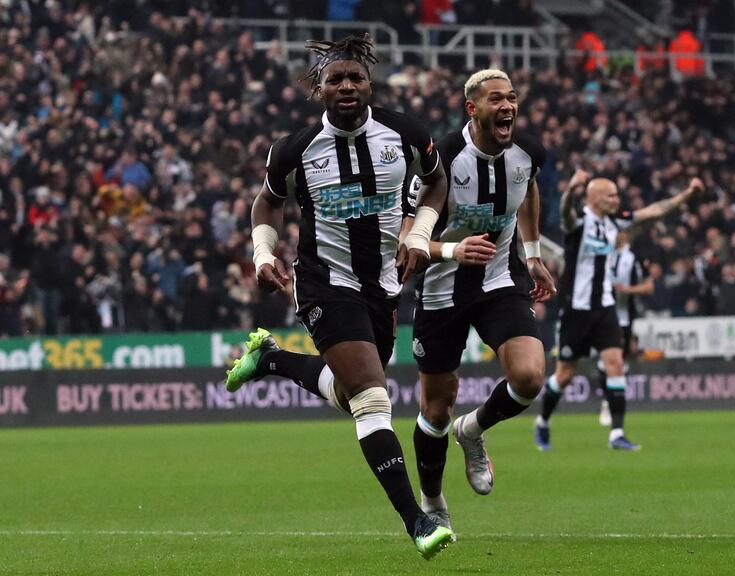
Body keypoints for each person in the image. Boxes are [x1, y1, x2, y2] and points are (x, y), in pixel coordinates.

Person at [223, 36, 455, 559]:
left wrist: (420, 234)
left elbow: (437, 183)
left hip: (383, 285)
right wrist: (263, 254)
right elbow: (267, 204)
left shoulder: (405, 134)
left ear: (369, 84)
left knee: (353, 395)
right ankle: (416, 521)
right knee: (373, 398)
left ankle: (273, 360)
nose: (347, 86)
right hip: (325, 281)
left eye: (355, 78)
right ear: (318, 89)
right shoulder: (294, 149)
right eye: (336, 79)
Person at [408, 69, 556, 531]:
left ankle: (473, 430)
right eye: (496, 99)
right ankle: (432, 499)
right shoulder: (443, 158)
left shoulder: (527, 151)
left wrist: (532, 255)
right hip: (441, 287)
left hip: (498, 279)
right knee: (435, 407)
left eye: (512, 97)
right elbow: (406, 235)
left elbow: (528, 188)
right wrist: (451, 249)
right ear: (473, 108)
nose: (507, 105)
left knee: (530, 377)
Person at [535, 171, 704, 451]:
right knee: (565, 375)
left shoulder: (615, 221)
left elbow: (653, 212)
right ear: (595, 198)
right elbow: (565, 212)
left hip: (605, 306)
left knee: (615, 364)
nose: (617, 199)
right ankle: (542, 421)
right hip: (576, 309)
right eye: (611, 195)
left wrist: (686, 195)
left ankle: (616, 433)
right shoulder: (578, 221)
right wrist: (572, 190)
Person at [598, 228, 654, 427]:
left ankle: (611, 402)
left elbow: (649, 287)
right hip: (601, 313)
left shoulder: (634, 257)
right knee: (607, 358)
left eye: (619, 231)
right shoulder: (603, 252)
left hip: (624, 317)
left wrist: (628, 290)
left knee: (617, 360)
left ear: (626, 234)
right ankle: (609, 402)